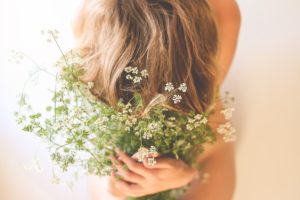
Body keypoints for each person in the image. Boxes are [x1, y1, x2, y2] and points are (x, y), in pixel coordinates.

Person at [74, 0, 241, 199]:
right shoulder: (92, 28)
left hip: (205, 149)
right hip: (121, 146)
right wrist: (120, 182)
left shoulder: (222, 29)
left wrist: (187, 174)